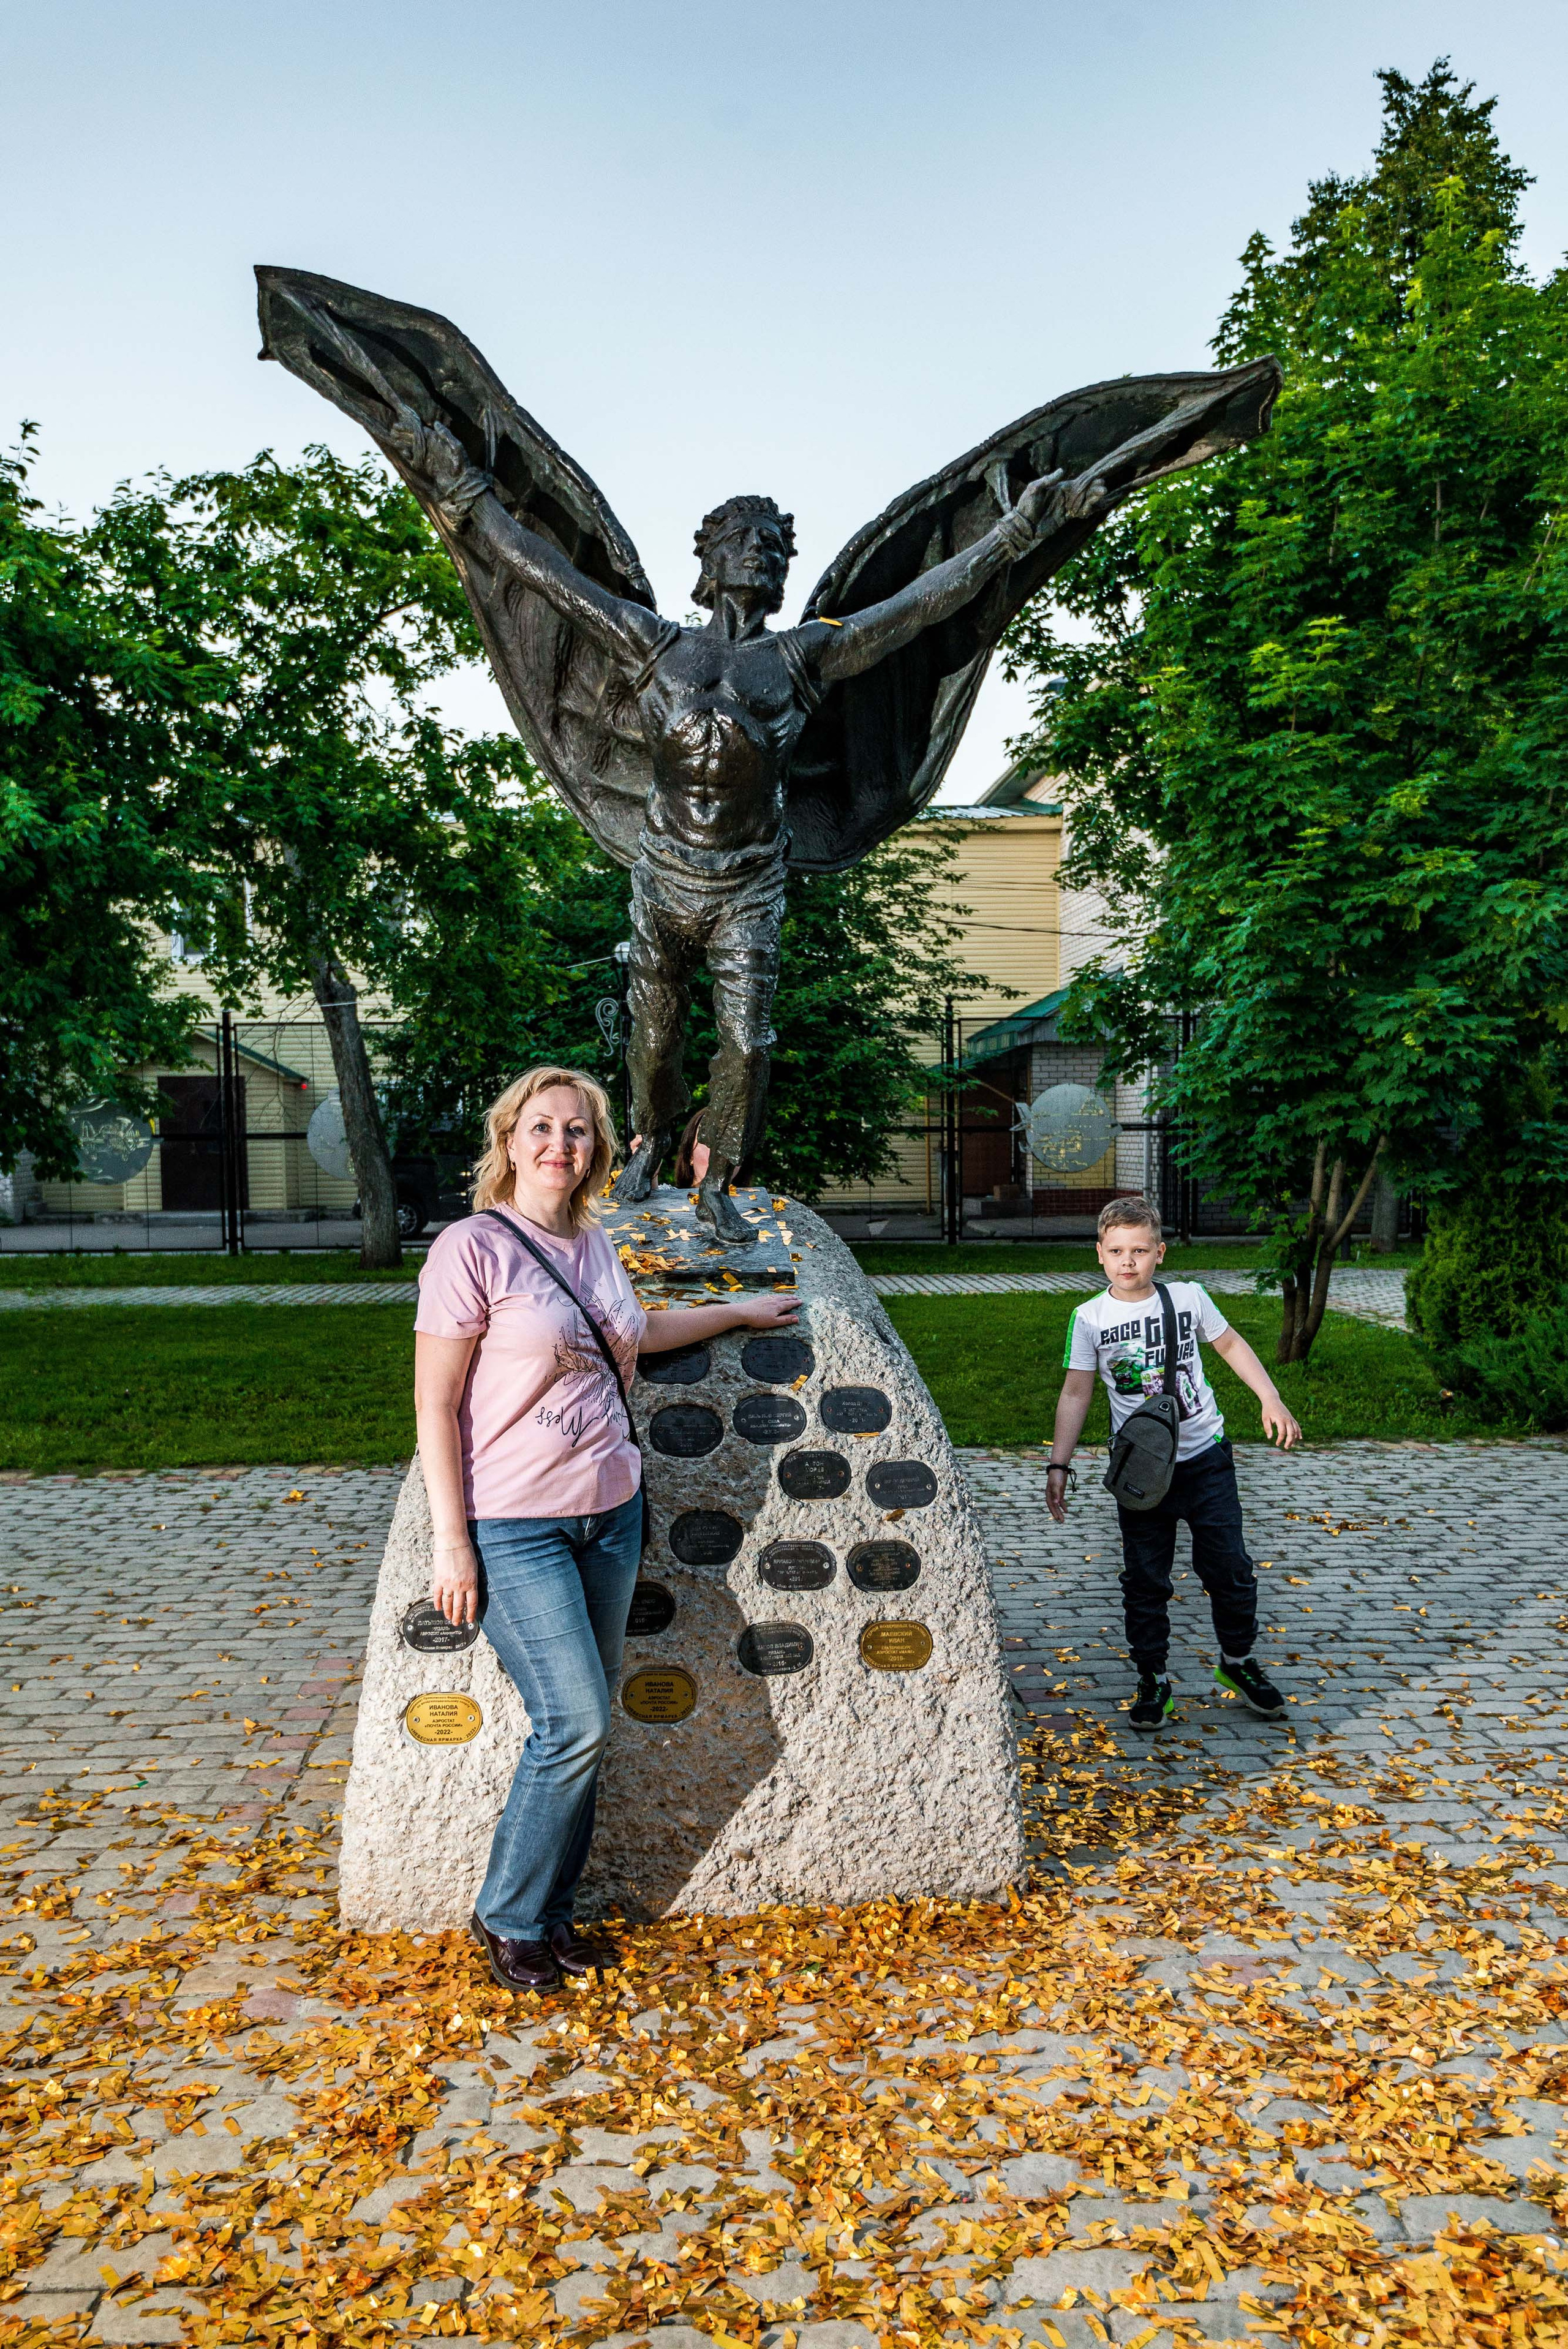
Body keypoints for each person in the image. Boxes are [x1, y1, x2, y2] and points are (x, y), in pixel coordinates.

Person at [413, 1064, 800, 1992]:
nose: (560, 1144)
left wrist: (739, 1310)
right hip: (515, 1523)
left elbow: (627, 1332)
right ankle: (507, 1914)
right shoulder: (472, 1248)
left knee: (584, 1728)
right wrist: (452, 1539)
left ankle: (549, 1915)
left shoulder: (592, 1242)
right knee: (574, 1719)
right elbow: (434, 1402)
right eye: (542, 1127)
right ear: (510, 1140)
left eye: (578, 1130)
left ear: (598, 1149)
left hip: (612, 1515)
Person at [1045, 1197, 1302, 1733]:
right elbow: (1075, 1392)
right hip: (1143, 1475)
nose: (1128, 1261)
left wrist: (1270, 1398)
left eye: (1140, 1250)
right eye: (1117, 1250)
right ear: (1099, 1253)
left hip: (1206, 1460)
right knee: (1145, 1580)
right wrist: (1058, 1464)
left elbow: (1230, 1344)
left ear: (1159, 1252)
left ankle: (1237, 1662)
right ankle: (1153, 1677)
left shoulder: (1188, 1299)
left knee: (1230, 1569)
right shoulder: (1089, 1318)